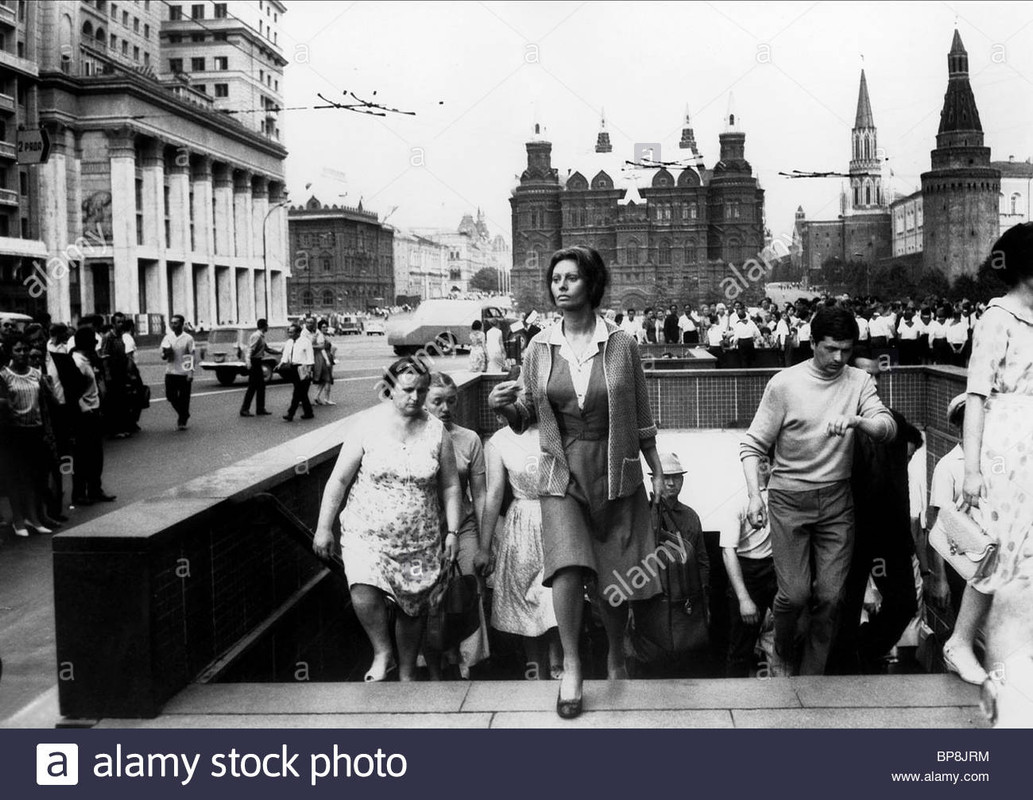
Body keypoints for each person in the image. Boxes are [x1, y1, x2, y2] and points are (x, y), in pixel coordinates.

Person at [488, 245, 665, 719]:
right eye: (555, 279)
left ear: (592, 284)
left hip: (615, 469)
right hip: (560, 472)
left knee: (611, 579)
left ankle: (613, 653)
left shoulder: (623, 344)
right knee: (566, 567)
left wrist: (657, 468)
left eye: (570, 278)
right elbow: (523, 417)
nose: (560, 286)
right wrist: (502, 404)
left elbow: (641, 414)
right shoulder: (538, 346)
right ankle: (571, 665)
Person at [740, 306, 897, 676]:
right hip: (788, 499)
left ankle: (811, 677)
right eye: (830, 349)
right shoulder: (784, 384)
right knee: (794, 595)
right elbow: (752, 446)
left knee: (831, 597)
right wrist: (753, 495)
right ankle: (781, 650)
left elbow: (887, 427)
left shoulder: (858, 381)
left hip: (836, 502)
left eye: (846, 349)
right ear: (812, 344)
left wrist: (858, 421)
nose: (838, 358)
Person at [312, 357, 463, 682]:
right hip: (366, 532)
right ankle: (382, 652)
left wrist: (453, 531)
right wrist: (324, 526)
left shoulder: (436, 430)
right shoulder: (366, 425)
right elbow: (338, 480)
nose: (415, 397)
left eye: (421, 391)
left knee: (413, 604)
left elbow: (450, 485)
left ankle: (407, 669)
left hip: (419, 540)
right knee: (363, 586)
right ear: (390, 389)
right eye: (408, 390)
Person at [952, 223, 1033, 684]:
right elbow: (977, 396)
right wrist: (972, 469)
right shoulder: (997, 318)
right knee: (997, 548)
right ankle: (960, 642)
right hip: (1007, 445)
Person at [479, 421, 561, 679]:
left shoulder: (556, 429)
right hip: (522, 524)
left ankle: (559, 659)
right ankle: (535, 668)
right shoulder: (499, 440)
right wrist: (484, 547)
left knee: (555, 593)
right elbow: (493, 495)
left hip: (556, 516)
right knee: (527, 599)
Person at [425, 371, 489, 677]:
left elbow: (480, 495)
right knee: (429, 596)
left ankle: (466, 664)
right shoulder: (415, 439)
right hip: (424, 533)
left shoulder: (469, 439)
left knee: (469, 590)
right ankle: (435, 669)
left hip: (462, 528)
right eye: (437, 401)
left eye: (451, 400)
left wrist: (485, 544)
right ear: (424, 402)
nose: (445, 408)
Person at [721, 454, 776, 678]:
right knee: (741, 648)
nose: (762, 465)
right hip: (746, 571)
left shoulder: (781, 497)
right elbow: (727, 551)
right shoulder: (738, 501)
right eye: (757, 461)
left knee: (791, 638)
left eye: (766, 460)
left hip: (775, 568)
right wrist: (744, 598)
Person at [0, 336, 54, 536]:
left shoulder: (36, 374)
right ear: (10, 352)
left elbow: (45, 404)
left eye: (24, 350)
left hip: (35, 430)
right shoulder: (4, 375)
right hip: (14, 432)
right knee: (15, 477)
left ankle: (33, 517)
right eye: (17, 350)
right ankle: (18, 519)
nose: (22, 354)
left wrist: (47, 432)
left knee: (33, 477)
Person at [70, 327, 115, 505]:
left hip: (94, 409)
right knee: (83, 456)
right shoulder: (78, 362)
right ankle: (80, 493)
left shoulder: (87, 360)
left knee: (96, 455)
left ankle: (95, 489)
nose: (97, 346)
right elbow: (73, 390)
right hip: (85, 414)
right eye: (94, 342)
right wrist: (84, 408)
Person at [160, 314, 195, 431]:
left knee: (184, 398)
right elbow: (162, 355)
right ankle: (184, 413)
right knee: (170, 396)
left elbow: (191, 355)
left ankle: (182, 420)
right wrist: (166, 353)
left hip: (183, 372)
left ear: (181, 324)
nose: (173, 325)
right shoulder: (167, 337)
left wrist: (190, 372)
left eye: (176, 323)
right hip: (170, 371)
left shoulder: (188, 338)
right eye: (172, 323)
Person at [240, 318, 278, 417]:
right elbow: (250, 350)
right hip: (254, 362)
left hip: (258, 362)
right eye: (267, 325)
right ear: (264, 326)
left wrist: (280, 352)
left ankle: (260, 408)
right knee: (252, 387)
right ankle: (244, 409)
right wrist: (248, 362)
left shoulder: (261, 336)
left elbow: (267, 349)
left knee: (261, 386)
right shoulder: (256, 336)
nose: (268, 327)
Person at [278, 323, 314, 422]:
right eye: (289, 332)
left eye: (292, 332)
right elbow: (285, 355)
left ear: (298, 332)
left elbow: (310, 357)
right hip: (293, 368)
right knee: (302, 393)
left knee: (297, 392)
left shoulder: (306, 342)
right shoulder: (289, 342)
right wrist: (281, 364)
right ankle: (309, 412)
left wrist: (309, 371)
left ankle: (290, 414)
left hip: (303, 367)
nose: (290, 334)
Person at [313, 319, 337, 406]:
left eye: (326, 326)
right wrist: (327, 360)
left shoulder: (320, 334)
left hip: (324, 357)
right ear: (320, 327)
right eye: (323, 327)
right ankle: (327, 398)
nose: (325, 328)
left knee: (323, 379)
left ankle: (317, 396)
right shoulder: (320, 336)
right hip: (324, 358)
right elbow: (322, 349)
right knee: (327, 379)